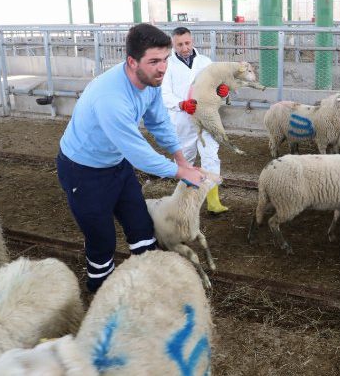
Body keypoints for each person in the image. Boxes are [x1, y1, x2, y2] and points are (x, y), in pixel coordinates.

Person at [56, 23, 203, 293]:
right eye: (154, 61)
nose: (163, 68)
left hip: (115, 164)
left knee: (141, 227)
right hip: (83, 170)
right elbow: (138, 152)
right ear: (132, 62)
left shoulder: (151, 81)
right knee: (102, 241)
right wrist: (181, 173)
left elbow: (159, 121)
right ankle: (102, 295)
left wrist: (182, 160)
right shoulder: (111, 98)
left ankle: (147, 283)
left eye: (166, 59)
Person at [161, 26, 229, 214]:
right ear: (173, 45)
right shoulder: (168, 65)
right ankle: (185, 203)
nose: (184, 48)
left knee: (211, 157)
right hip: (182, 120)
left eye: (187, 43)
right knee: (185, 160)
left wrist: (222, 92)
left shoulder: (205, 62)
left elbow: (216, 86)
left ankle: (213, 202)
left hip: (206, 117)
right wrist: (181, 104)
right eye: (179, 44)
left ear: (193, 41)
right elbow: (164, 94)